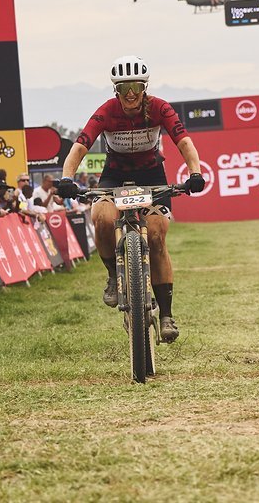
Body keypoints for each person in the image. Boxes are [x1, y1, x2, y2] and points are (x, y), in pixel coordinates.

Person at [57, 55, 206, 343]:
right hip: (115, 176)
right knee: (101, 218)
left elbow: (183, 140)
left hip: (153, 177)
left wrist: (195, 171)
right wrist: (67, 178)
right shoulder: (107, 111)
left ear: (144, 87)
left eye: (136, 87)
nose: (130, 95)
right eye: (124, 88)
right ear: (116, 90)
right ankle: (113, 275)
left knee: (157, 237)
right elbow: (81, 145)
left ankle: (166, 315)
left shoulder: (160, 108)